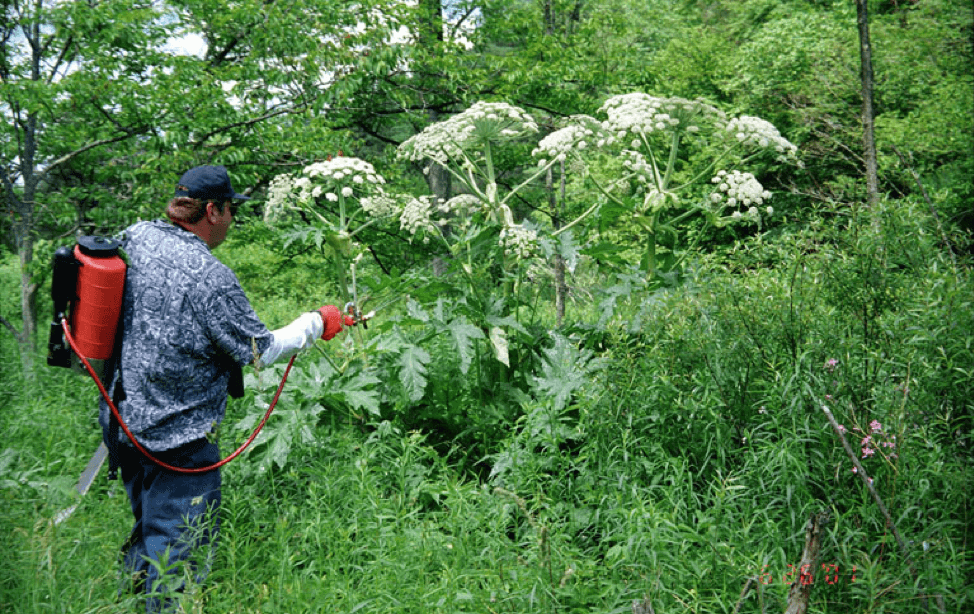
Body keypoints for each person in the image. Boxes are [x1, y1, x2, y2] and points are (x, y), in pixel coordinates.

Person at [99, 165, 352, 612]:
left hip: (122, 422)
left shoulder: (137, 235)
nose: (233, 220)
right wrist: (319, 321)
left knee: (149, 531)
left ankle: (129, 602)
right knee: (178, 553)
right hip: (178, 440)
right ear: (212, 210)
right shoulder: (209, 277)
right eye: (232, 209)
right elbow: (260, 350)